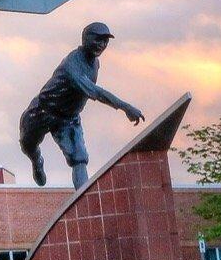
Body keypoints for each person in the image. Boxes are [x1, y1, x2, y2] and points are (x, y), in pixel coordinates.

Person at [19, 22, 144, 188]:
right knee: (28, 145)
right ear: (86, 39)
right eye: (98, 40)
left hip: (68, 118)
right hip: (43, 111)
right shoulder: (72, 63)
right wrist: (125, 107)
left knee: (79, 158)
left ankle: (84, 199)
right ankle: (37, 160)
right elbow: (95, 91)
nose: (102, 45)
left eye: (105, 41)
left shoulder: (95, 64)